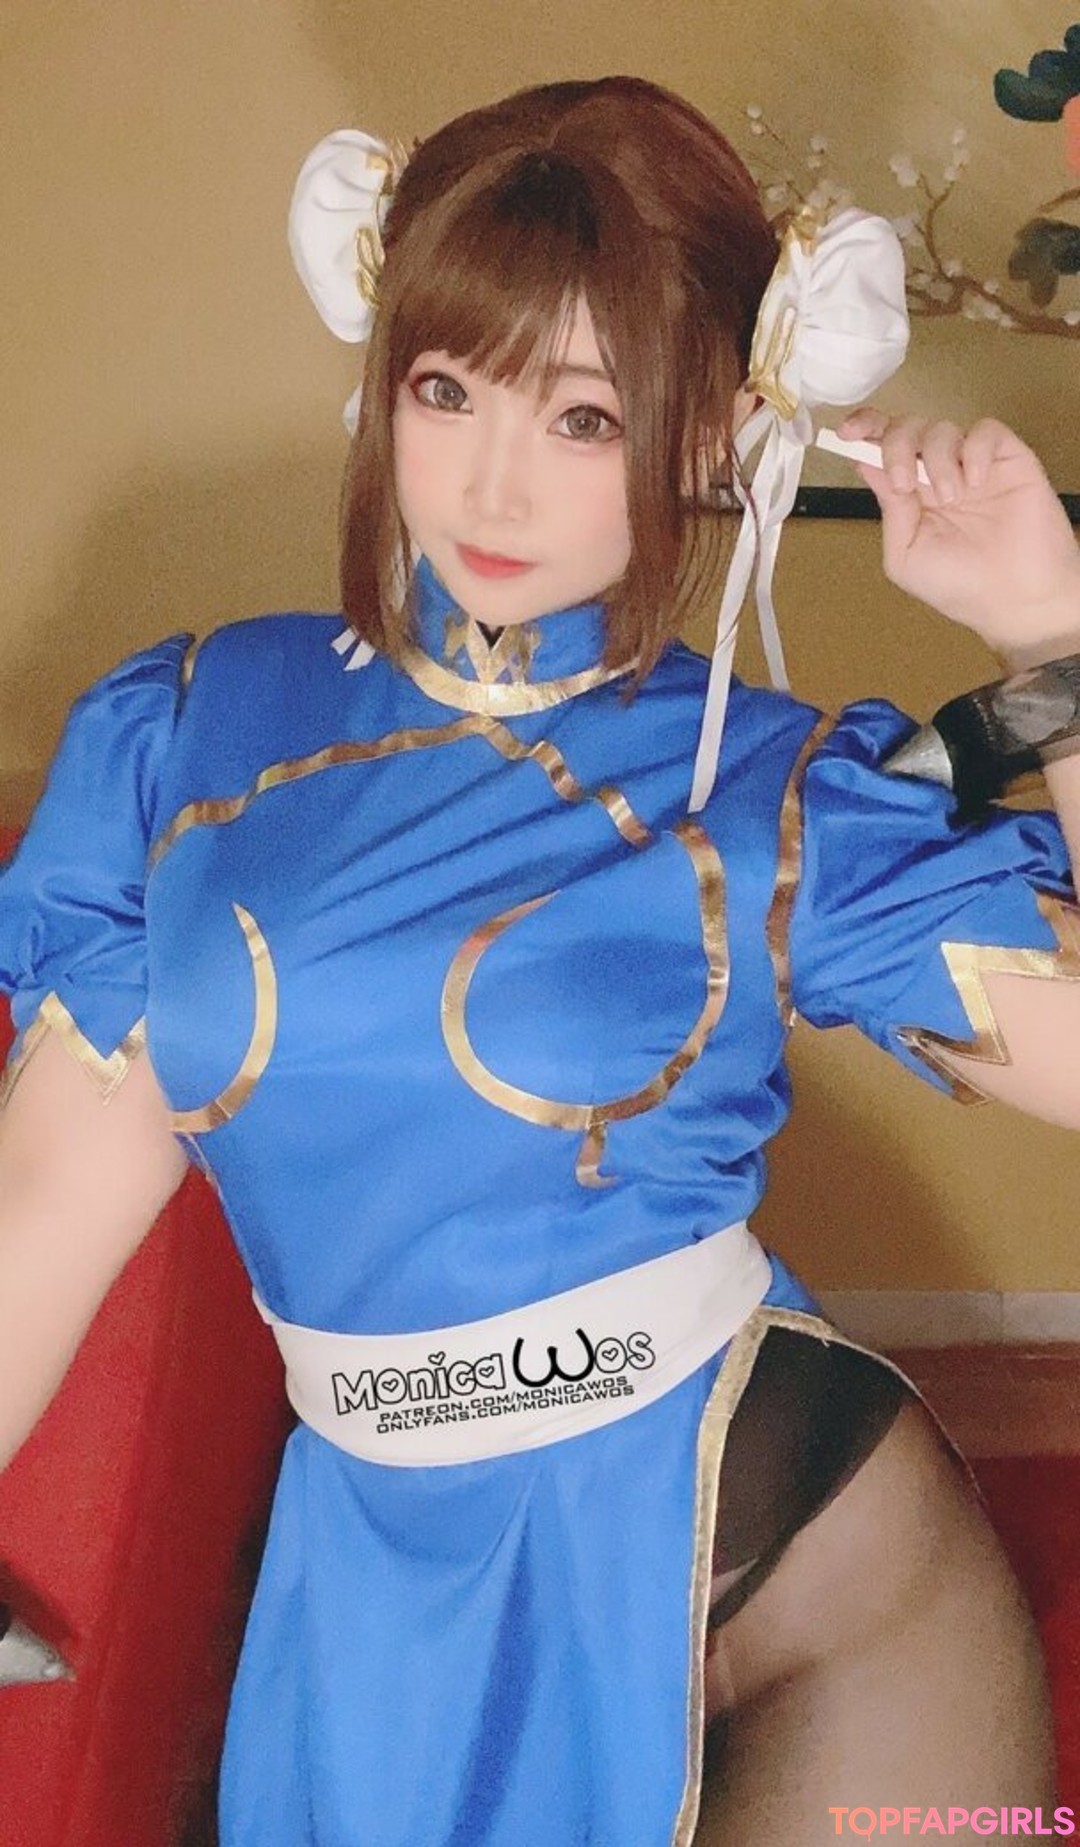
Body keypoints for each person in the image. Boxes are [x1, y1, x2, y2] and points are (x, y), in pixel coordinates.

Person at [1, 73, 1079, 1847]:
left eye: (585, 416)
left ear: (711, 430)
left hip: (823, 1591)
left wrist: (1050, 639)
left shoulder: (771, 788)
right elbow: (51, 1197)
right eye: (448, 389)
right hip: (388, 1581)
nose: (495, 480)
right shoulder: (183, 734)